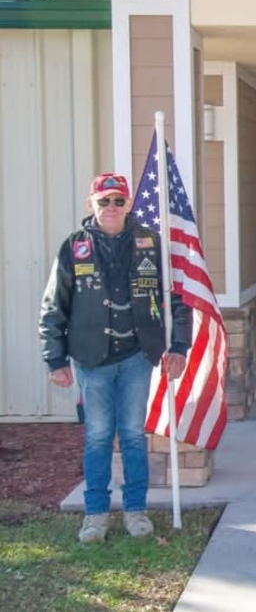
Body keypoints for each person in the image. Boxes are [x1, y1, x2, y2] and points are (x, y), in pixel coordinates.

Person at [39, 173, 192, 543]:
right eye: (104, 201)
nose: (111, 208)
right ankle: (95, 515)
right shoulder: (74, 247)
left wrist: (179, 347)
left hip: (138, 357)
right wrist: (54, 359)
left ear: (128, 205)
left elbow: (175, 302)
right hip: (92, 360)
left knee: (134, 436)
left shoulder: (150, 244)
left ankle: (135, 511)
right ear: (91, 204)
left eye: (118, 201)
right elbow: (54, 305)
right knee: (97, 437)